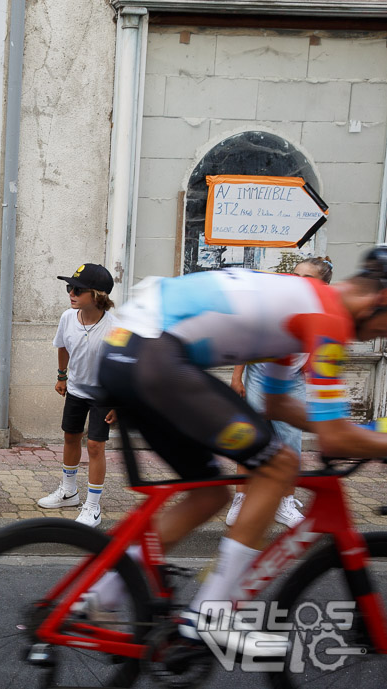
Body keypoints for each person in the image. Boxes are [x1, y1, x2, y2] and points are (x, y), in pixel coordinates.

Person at [94, 247, 387, 647]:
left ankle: (100, 599)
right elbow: (334, 437)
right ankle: (211, 614)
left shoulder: (304, 309)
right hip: (153, 356)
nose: (383, 335)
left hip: (130, 353)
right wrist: (362, 436)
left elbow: (278, 405)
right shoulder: (329, 318)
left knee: (210, 493)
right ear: (380, 300)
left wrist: (359, 432)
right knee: (279, 465)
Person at [226, 256, 334, 528]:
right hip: (260, 370)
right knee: (252, 436)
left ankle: (285, 501)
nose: (295, 281)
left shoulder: (324, 310)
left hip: (292, 377)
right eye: (294, 275)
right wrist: (237, 376)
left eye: (305, 277)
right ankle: (241, 497)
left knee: (290, 441)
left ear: (322, 285)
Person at [37, 263, 117, 527]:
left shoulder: (115, 328)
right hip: (76, 388)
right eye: (69, 287)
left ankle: (93, 507)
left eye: (78, 289)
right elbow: (62, 346)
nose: (71, 293)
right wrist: (62, 376)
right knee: (71, 437)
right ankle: (69, 491)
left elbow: (125, 367)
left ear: (97, 295)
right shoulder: (68, 318)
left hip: (104, 392)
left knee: (95, 446)